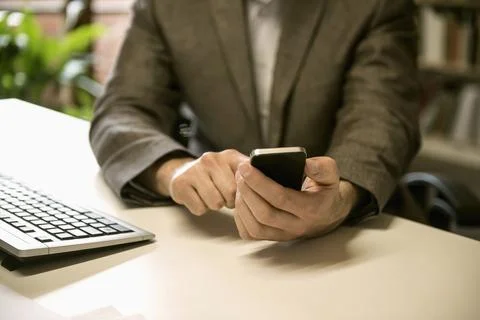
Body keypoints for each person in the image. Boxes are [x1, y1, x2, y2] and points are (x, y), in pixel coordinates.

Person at [90, 0, 420, 241]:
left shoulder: (375, 6)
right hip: (214, 232)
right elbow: (121, 110)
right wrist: (173, 170)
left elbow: (382, 121)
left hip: (353, 236)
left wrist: (340, 199)